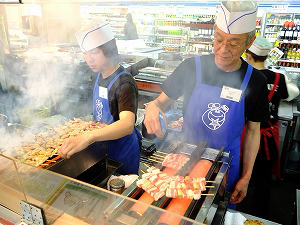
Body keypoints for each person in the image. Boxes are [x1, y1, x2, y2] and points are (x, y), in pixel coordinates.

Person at [144, 1, 269, 208]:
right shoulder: (191, 67)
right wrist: (152, 108)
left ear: (249, 42)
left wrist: (246, 177)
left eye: (234, 43)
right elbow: (159, 103)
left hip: (225, 168)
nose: (222, 49)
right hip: (184, 160)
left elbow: (254, 133)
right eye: (219, 39)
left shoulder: (256, 81)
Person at [60, 22, 141, 175]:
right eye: (85, 53)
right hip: (101, 149)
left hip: (121, 152)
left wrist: (89, 136)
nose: (88, 59)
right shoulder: (98, 75)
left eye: (94, 52)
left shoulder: (124, 83)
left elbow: (127, 124)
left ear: (109, 51)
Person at [242, 37, 298, 219]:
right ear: (266, 56)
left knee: (240, 173)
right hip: (267, 137)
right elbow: (284, 95)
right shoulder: (278, 78)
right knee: (263, 178)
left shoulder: (244, 76)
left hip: (244, 135)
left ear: (249, 56)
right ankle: (259, 216)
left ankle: (235, 210)